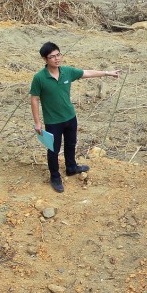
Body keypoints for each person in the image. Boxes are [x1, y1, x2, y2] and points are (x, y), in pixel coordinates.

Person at [29, 42, 120, 193]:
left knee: (71, 144)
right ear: (45, 59)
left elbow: (86, 73)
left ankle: (71, 167)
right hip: (53, 121)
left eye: (58, 55)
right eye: (52, 57)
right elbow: (34, 99)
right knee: (53, 150)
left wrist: (107, 73)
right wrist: (37, 122)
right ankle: (55, 177)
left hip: (70, 117)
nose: (57, 59)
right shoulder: (39, 78)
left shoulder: (67, 72)